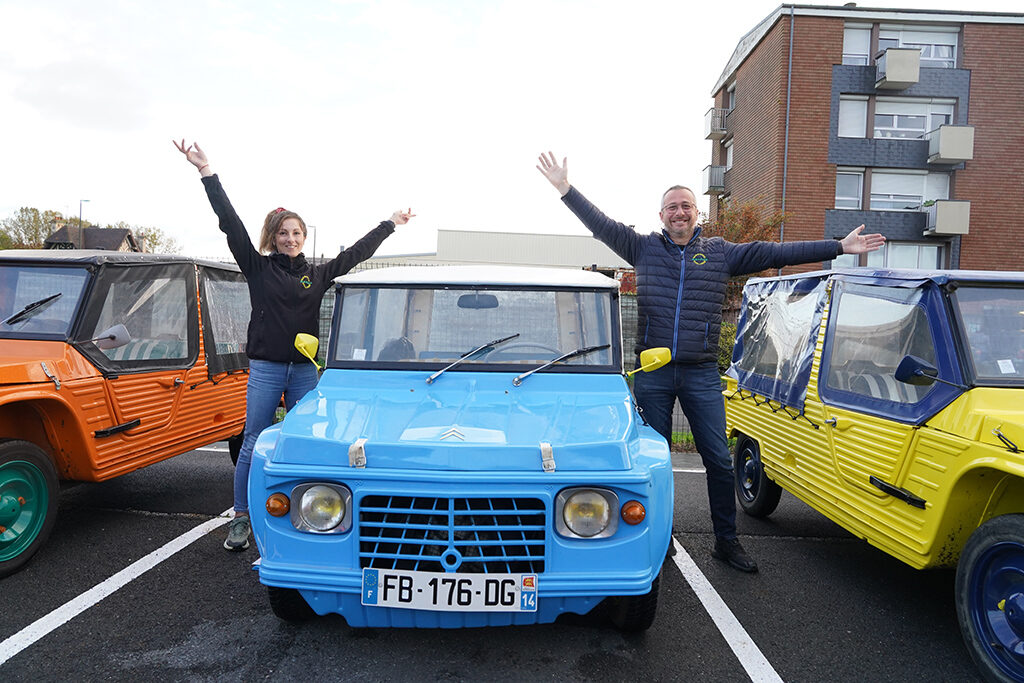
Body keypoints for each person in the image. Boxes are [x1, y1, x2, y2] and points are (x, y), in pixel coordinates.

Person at [536, 151, 884, 572]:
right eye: (671, 207)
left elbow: (774, 252)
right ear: (661, 215)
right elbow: (600, 222)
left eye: (685, 205)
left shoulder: (720, 253)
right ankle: (657, 541)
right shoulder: (641, 248)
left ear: (696, 212)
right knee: (653, 461)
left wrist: (839, 247)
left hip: (701, 372)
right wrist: (564, 189)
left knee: (718, 460)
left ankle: (726, 541)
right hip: (653, 373)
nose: (679, 212)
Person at [175, 139, 415, 551]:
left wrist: (390, 223)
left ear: (305, 237)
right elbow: (230, 223)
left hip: (305, 371)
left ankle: (310, 516)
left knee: (305, 438)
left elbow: (356, 253)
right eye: (284, 233)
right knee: (253, 440)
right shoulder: (258, 267)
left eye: (297, 233)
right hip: (267, 368)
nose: (291, 239)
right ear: (274, 236)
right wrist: (207, 172)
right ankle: (240, 518)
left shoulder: (318, 274)